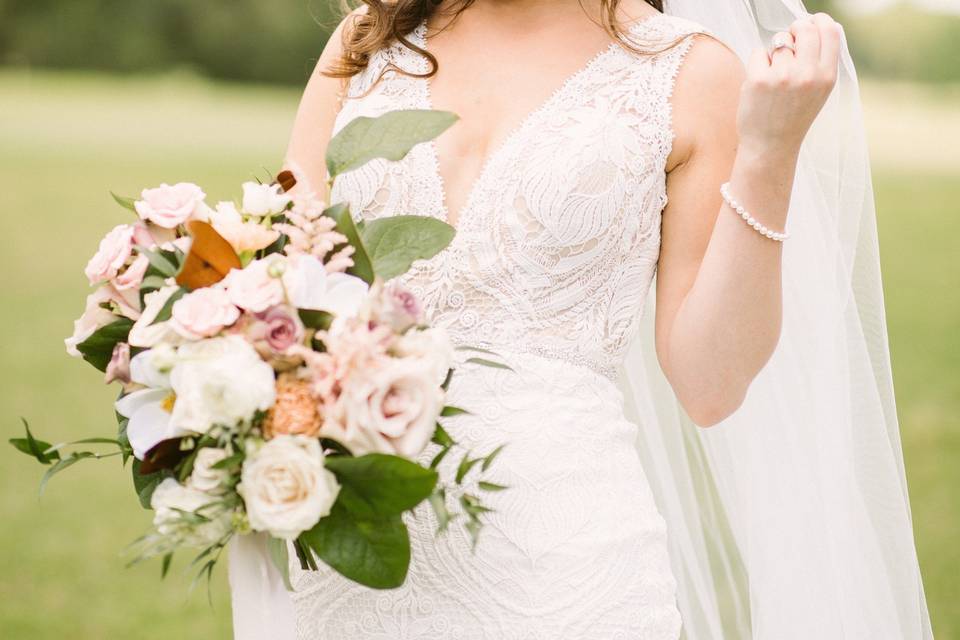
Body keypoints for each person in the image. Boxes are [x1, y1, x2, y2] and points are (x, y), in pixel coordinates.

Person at [229, 1, 933, 637]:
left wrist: (769, 153)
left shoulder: (687, 71)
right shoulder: (372, 39)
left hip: (565, 563)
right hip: (349, 543)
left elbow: (709, 384)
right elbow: (282, 286)